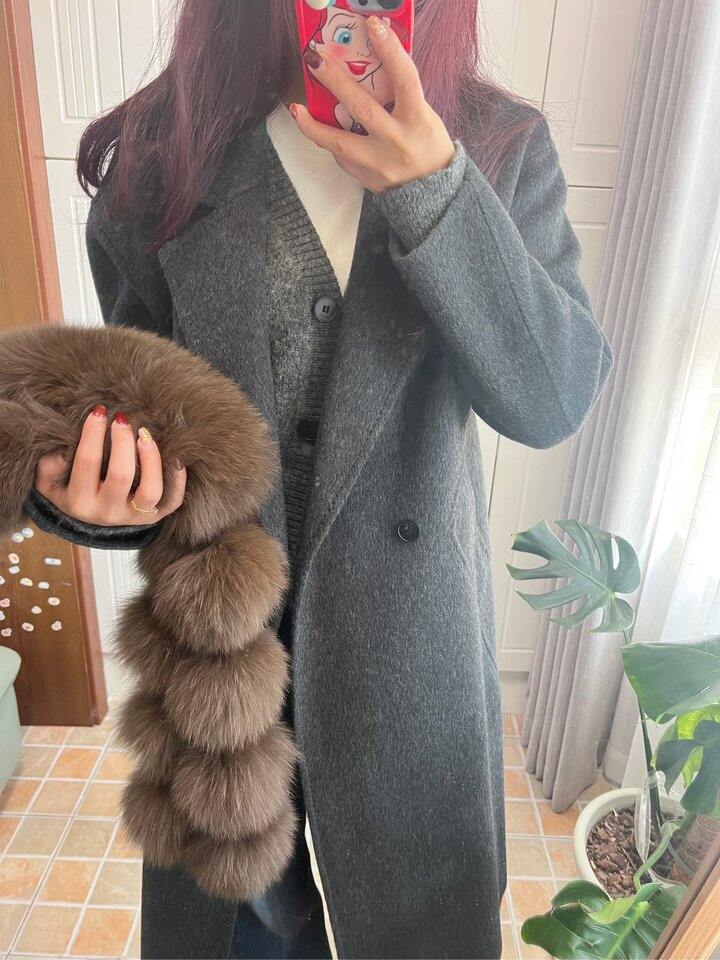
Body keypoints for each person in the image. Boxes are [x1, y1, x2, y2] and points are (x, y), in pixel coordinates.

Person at [28, 1, 613, 957]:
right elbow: (145, 426)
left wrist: (438, 191)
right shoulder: (162, 154)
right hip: (224, 683)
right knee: (244, 937)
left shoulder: (499, 146)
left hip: (407, 664)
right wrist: (94, 502)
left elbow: (551, 398)